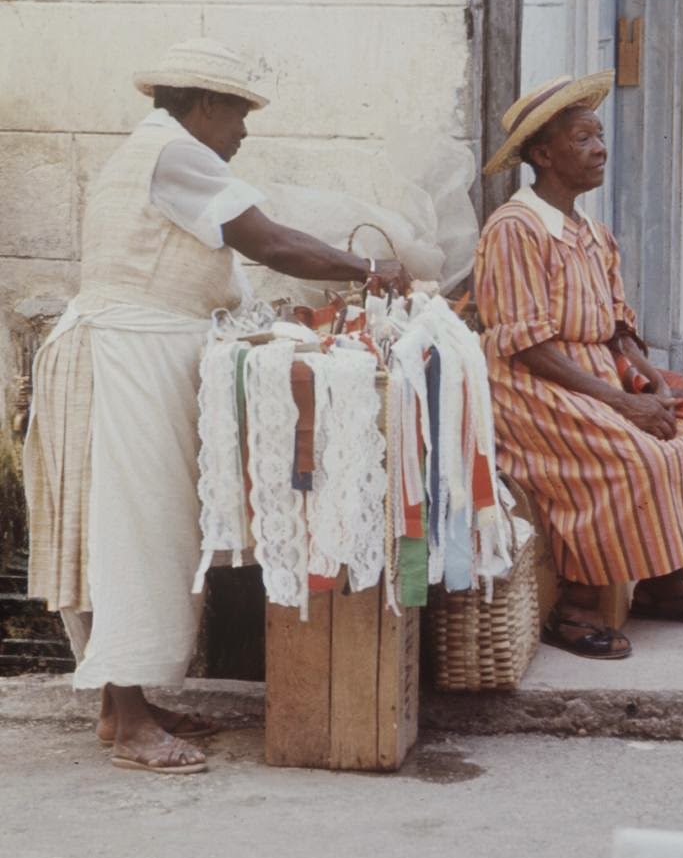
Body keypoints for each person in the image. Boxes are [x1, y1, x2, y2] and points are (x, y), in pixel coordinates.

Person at [23, 38, 406, 772]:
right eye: (237, 113)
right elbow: (269, 241)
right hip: (127, 354)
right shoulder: (174, 153)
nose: (243, 132)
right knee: (137, 535)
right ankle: (131, 724)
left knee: (151, 528)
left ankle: (120, 708)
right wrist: (370, 269)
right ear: (203, 106)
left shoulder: (158, 152)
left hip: (140, 350)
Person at [474, 71, 683, 659]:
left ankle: (663, 583)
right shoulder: (515, 229)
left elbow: (618, 327)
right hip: (531, 382)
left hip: (596, 372)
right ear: (542, 154)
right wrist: (622, 403)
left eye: (599, 136)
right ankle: (575, 604)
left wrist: (650, 381)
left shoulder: (591, 231)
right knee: (631, 456)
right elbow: (527, 346)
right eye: (583, 140)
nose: (600, 149)